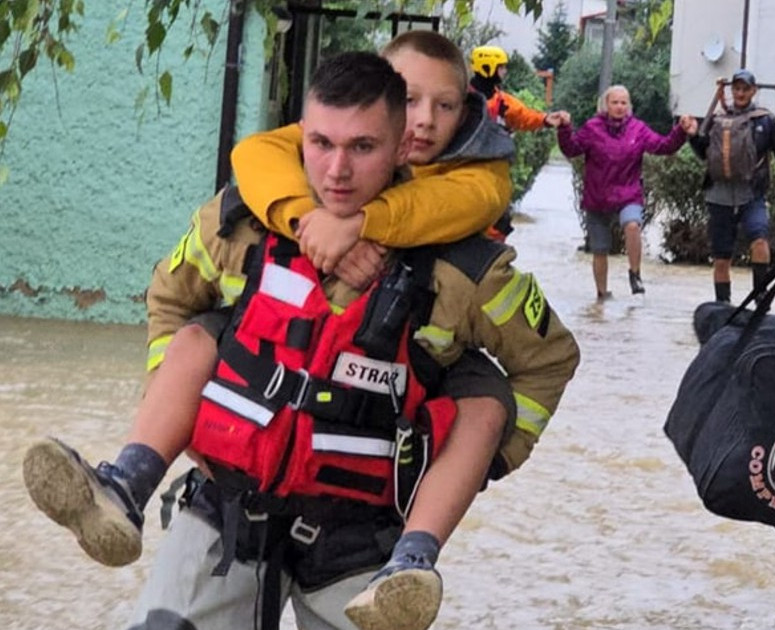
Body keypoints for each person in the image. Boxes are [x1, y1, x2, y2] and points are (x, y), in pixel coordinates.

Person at [28, 47, 580, 630]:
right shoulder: (243, 219)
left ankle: (415, 559)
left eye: (363, 147)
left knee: (485, 398)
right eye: (321, 145)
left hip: (363, 540)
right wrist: (179, 418)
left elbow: (550, 359)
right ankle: (126, 483)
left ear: (398, 149)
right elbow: (170, 297)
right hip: (228, 508)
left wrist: (480, 465)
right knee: (197, 337)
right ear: (300, 138)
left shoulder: (465, 266)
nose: (337, 170)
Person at [555, 85, 692, 299]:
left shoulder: (638, 129)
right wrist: (564, 128)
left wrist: (681, 131)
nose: (619, 107)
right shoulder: (592, 128)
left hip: (628, 194)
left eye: (623, 103)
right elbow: (571, 149)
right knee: (600, 250)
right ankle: (601, 295)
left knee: (632, 225)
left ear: (629, 106)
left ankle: (635, 274)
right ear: (605, 105)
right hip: (597, 197)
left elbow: (663, 146)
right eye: (615, 102)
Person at [683, 68, 775, 304]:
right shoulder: (719, 118)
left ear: (753, 91)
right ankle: (723, 305)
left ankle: (760, 295)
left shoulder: (765, 121)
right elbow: (704, 154)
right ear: (732, 90)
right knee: (721, 258)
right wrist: (691, 135)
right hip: (718, 195)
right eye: (736, 88)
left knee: (760, 240)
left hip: (752, 193)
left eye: (745, 89)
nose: (740, 93)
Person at [468, 44, 570, 241]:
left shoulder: (503, 102)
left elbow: (523, 116)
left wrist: (546, 120)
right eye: (501, 67)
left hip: (494, 170)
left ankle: (491, 261)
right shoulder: (460, 97)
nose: (504, 72)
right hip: (465, 168)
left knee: (499, 224)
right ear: (487, 67)